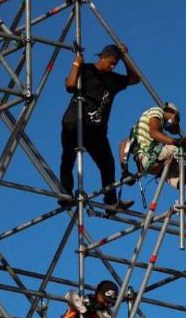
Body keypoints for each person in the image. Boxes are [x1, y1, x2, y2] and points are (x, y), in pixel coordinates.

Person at [59, 43, 139, 211]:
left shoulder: (113, 79)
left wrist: (125, 57)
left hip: (96, 130)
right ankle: (65, 195)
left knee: (107, 164)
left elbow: (134, 79)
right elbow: (70, 86)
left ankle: (110, 202)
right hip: (75, 122)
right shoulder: (86, 69)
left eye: (115, 64)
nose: (112, 67)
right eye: (110, 63)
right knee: (68, 158)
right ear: (102, 57)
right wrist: (76, 63)